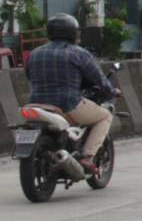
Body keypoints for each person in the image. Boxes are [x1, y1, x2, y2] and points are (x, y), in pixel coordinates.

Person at [25, 14, 120, 175]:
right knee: (104, 116)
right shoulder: (78, 53)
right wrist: (112, 91)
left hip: (36, 102)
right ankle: (87, 157)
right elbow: (99, 79)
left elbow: (28, 75)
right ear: (72, 33)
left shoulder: (35, 53)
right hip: (68, 104)